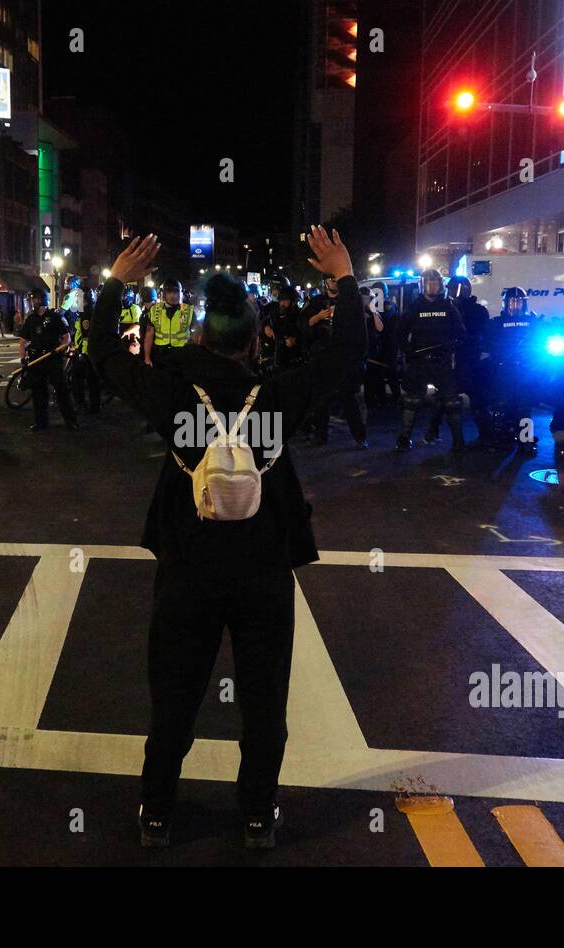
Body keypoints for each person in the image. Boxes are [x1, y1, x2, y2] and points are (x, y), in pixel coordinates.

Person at [88, 228, 365, 850]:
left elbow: (104, 353)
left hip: (188, 570)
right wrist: (344, 277)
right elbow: (349, 352)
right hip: (263, 572)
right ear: (254, 337)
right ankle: (256, 816)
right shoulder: (277, 398)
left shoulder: (175, 395)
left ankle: (156, 812)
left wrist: (115, 284)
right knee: (264, 703)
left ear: (203, 336)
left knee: (175, 697)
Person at [396, 268, 468, 451]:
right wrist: (409, 350)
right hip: (419, 361)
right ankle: (403, 440)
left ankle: (459, 443)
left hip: (442, 361)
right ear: (422, 285)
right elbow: (400, 334)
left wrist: (454, 344)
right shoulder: (414, 306)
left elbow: (460, 333)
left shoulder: (448, 306)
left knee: (451, 402)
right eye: (429, 283)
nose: (432, 287)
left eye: (435, 283)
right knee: (411, 401)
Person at [305, 273, 367, 447]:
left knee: (348, 397)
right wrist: (318, 317)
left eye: (336, 280)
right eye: (331, 280)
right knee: (321, 399)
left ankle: (360, 437)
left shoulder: (348, 301)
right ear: (325, 282)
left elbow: (358, 327)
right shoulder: (316, 302)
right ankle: (320, 436)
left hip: (343, 356)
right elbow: (303, 325)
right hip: (322, 356)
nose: (334, 283)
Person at [484, 287, 541, 455]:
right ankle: (498, 440)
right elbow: (488, 346)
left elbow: (540, 343)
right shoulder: (495, 323)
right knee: (501, 407)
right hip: (504, 370)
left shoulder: (532, 322)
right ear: (505, 303)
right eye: (512, 301)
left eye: (519, 302)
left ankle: (525, 441)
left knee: (525, 407)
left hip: (525, 371)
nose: (515, 305)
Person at [18, 287, 77, 431]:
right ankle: (41, 422)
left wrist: (59, 350)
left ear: (41, 300)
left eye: (34, 299)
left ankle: (70, 421)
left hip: (52, 358)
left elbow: (66, 338)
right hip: (36, 359)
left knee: (61, 390)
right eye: (31, 299)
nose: (32, 302)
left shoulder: (55, 317)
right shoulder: (31, 319)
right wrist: (23, 358)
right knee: (38, 392)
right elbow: (23, 340)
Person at [447, 276, 492, 445]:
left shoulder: (475, 310)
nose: (450, 292)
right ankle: (479, 435)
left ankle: (484, 433)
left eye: (452, 289)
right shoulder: (452, 308)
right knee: (463, 401)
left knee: (474, 401)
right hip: (463, 359)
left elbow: (481, 334)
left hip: (469, 360)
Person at [143, 278, 197, 367]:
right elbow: (149, 335)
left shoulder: (189, 310)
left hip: (182, 354)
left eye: (176, 292)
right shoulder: (155, 310)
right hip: (160, 354)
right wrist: (147, 357)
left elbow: (197, 334)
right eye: (169, 292)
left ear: (181, 293)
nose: (173, 295)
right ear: (164, 294)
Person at [71, 280, 102, 414]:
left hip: (87, 352)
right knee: (91, 380)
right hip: (87, 351)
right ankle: (94, 405)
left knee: (82, 378)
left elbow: (87, 335)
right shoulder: (88, 312)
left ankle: (83, 404)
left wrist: (81, 351)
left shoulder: (87, 314)